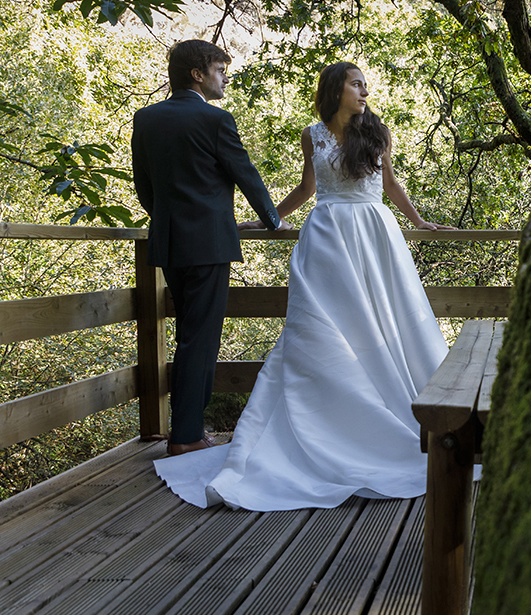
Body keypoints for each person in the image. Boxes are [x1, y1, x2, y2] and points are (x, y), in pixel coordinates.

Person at [154, 62, 459, 510]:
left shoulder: (375, 132)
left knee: (385, 318)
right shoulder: (312, 134)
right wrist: (269, 219)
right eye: (357, 84)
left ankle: (389, 411)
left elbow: (389, 184)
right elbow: (307, 187)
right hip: (327, 235)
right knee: (319, 324)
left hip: (375, 234)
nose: (364, 91)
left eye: (364, 86)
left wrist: (418, 221)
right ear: (336, 90)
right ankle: (316, 423)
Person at [132, 40, 292, 457]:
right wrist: (273, 220)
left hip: (169, 242)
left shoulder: (146, 119)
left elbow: (144, 189)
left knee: (190, 334)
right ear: (197, 74)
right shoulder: (215, 119)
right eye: (220, 70)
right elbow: (246, 175)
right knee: (200, 339)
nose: (225, 78)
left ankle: (190, 429)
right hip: (209, 244)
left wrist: (170, 221)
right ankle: (185, 436)